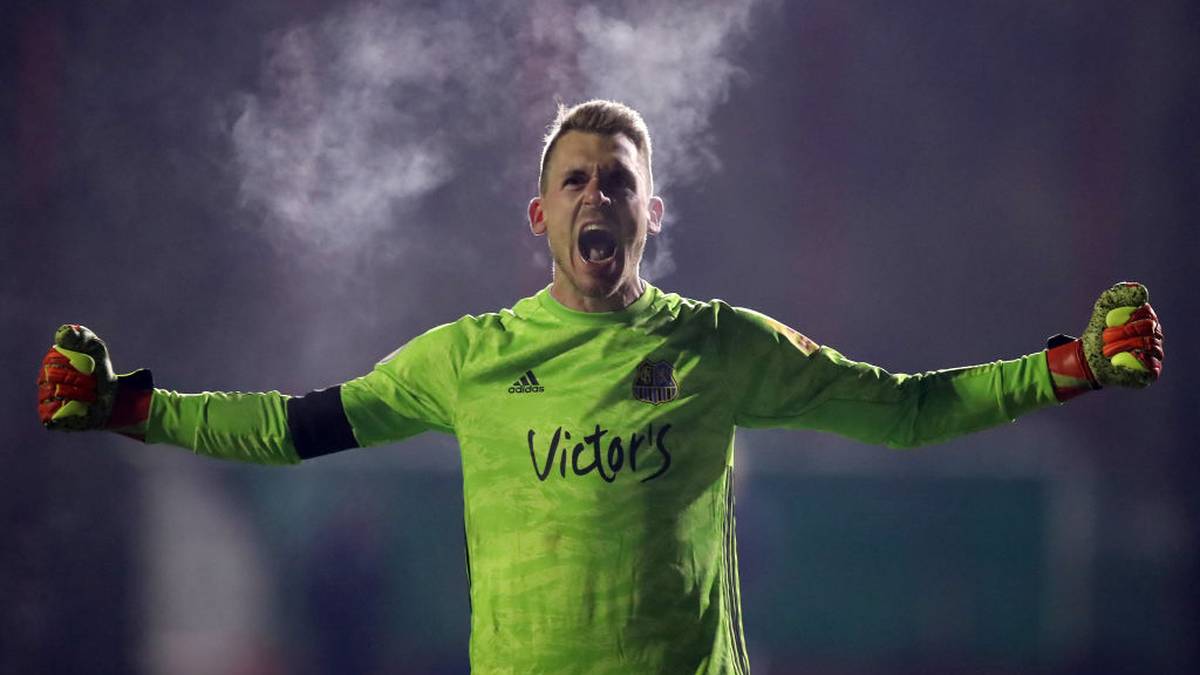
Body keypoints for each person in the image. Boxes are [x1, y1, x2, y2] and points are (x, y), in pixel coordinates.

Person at [37, 100, 1164, 674]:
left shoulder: (719, 344)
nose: (596, 197)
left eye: (617, 181)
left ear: (649, 213)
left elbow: (908, 411)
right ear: (541, 216)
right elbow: (296, 427)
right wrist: (135, 407)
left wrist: (1068, 367)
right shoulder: (469, 357)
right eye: (575, 180)